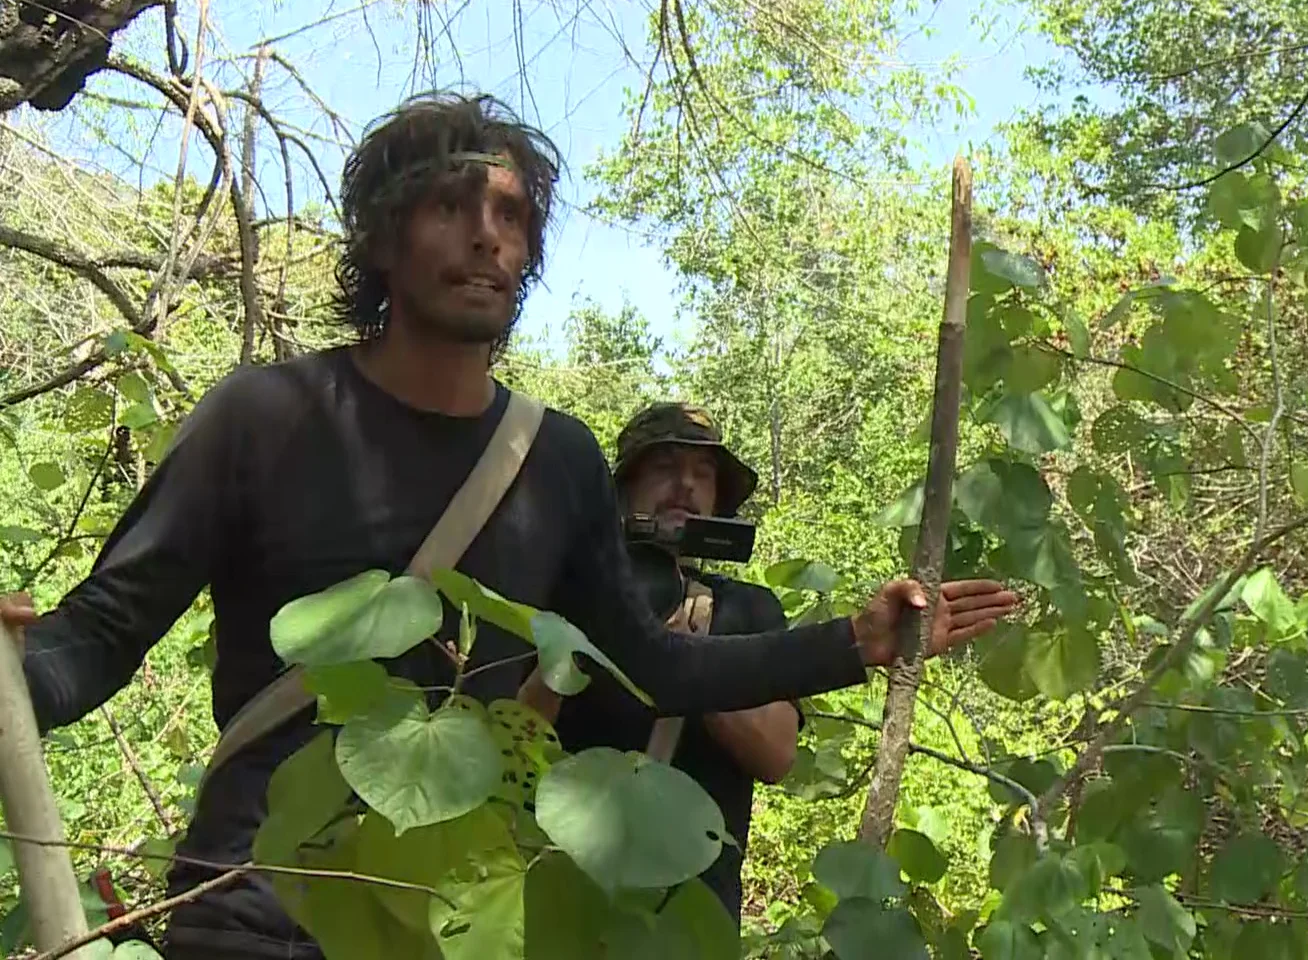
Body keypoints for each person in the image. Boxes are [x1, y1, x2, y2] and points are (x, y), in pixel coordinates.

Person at [0, 91, 1021, 959]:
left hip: (446, 929)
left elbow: (655, 668)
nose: (488, 234)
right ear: (380, 236)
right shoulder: (262, 419)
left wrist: (854, 642)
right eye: (451, 207)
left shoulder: (558, 460)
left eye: (512, 214)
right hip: (252, 913)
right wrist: (14, 672)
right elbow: (97, 636)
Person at [536, 400, 909, 924]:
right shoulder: (578, 592)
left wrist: (681, 663)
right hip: (563, 889)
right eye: (665, 467)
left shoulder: (747, 607)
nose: (685, 485)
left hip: (693, 913)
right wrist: (605, 638)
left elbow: (777, 754)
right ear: (622, 490)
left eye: (702, 473)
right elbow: (521, 727)